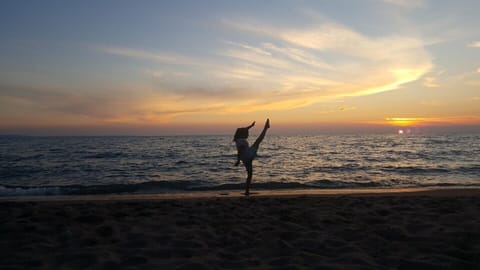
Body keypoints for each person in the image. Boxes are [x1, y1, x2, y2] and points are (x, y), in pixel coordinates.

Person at [233, 119, 270, 195]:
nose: (248, 134)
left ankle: (247, 191)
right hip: (248, 154)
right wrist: (238, 160)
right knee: (258, 140)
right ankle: (266, 128)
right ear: (243, 134)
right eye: (247, 133)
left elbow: (244, 129)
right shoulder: (241, 141)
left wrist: (251, 126)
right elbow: (240, 150)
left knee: (250, 174)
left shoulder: (238, 139)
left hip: (245, 158)